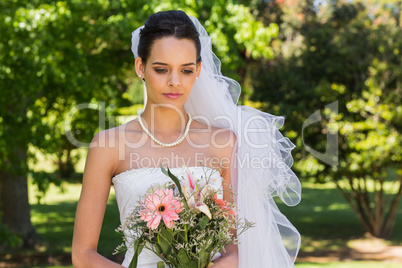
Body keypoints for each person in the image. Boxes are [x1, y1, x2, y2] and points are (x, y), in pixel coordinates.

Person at [72, 10, 301, 268]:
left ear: (199, 70)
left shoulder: (223, 143)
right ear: (140, 67)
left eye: (186, 70)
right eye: (161, 69)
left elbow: (234, 250)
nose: (174, 82)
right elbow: (82, 254)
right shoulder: (108, 146)